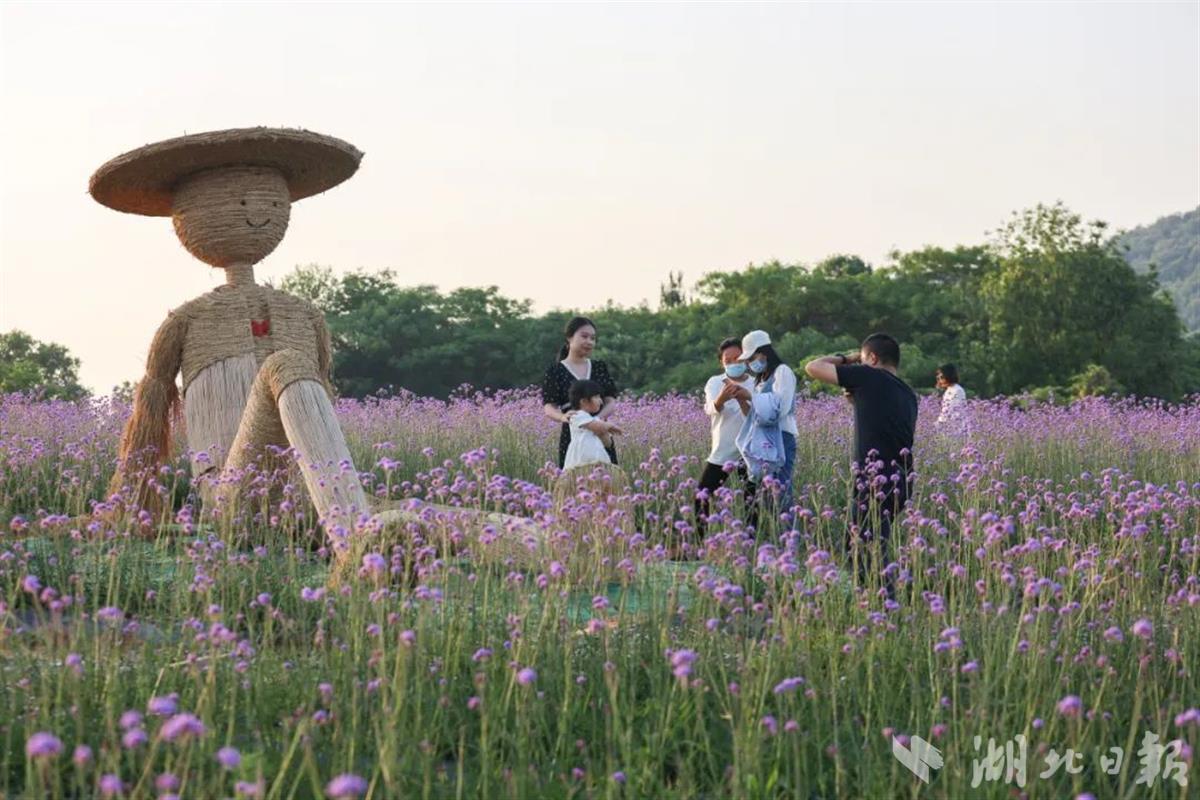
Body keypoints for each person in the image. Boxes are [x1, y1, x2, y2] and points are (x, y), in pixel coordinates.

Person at [805, 333, 918, 594]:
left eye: (864, 359)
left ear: (873, 358)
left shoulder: (870, 376)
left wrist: (848, 358)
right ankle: (879, 600)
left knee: (864, 549)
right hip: (900, 480)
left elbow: (813, 367)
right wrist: (857, 400)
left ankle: (884, 607)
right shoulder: (907, 393)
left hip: (875, 480)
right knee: (866, 544)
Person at [730, 330, 798, 525]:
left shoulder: (782, 372)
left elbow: (781, 408)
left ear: (763, 353)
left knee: (782, 494)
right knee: (768, 496)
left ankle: (791, 544)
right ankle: (780, 541)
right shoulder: (762, 379)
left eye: (752, 358)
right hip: (765, 439)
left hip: (782, 438)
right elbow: (757, 414)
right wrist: (743, 398)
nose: (750, 363)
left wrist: (750, 396)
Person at [541, 316, 619, 469]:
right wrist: (563, 417)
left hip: (600, 433)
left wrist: (596, 421)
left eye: (593, 338)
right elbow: (548, 406)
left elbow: (611, 401)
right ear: (569, 337)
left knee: (606, 483)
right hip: (572, 435)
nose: (589, 341)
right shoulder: (555, 371)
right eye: (584, 336)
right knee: (575, 484)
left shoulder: (599, 367)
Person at [695, 337, 754, 535]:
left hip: (749, 451)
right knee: (701, 495)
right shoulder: (715, 382)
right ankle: (698, 543)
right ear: (721, 363)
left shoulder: (756, 383)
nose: (733, 364)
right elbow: (712, 409)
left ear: (746, 359)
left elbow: (756, 417)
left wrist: (742, 398)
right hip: (723, 451)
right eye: (728, 361)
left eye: (738, 359)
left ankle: (751, 544)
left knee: (751, 501)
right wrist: (723, 396)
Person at [563, 379, 622, 470]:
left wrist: (604, 432)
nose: (601, 401)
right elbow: (598, 427)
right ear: (583, 401)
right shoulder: (577, 415)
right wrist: (609, 426)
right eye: (597, 397)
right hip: (581, 461)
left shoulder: (596, 420)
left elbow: (608, 443)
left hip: (597, 459)